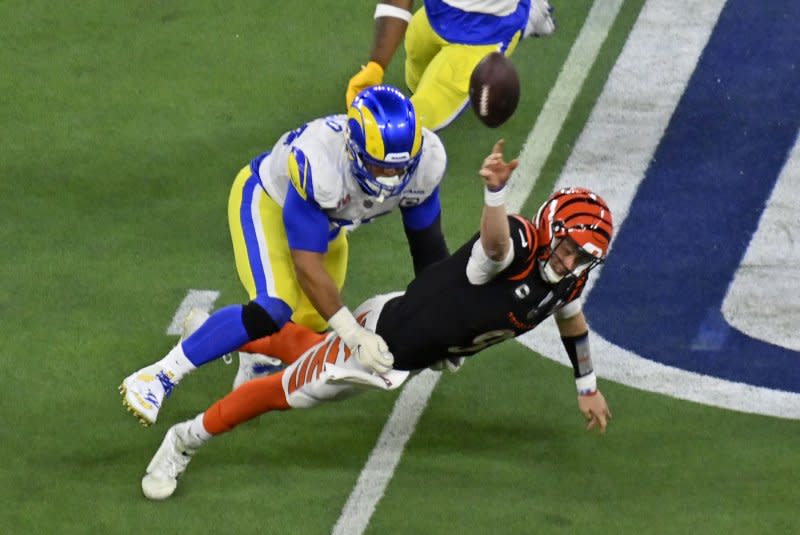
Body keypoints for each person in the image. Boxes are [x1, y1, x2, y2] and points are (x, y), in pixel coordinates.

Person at [138, 139, 614, 500]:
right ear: (550, 230)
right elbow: (495, 246)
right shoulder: (518, 244)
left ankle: (216, 335)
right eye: (569, 248)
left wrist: (587, 385)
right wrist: (496, 193)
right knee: (283, 393)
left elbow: (571, 321)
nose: (571, 263)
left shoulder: (567, 281)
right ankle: (183, 439)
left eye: (581, 258)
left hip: (414, 347)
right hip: (385, 340)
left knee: (309, 353)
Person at [120, 84, 450, 426]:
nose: (391, 179)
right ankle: (159, 375)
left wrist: (444, 324)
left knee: (314, 322)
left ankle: (235, 344)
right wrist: (353, 334)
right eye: (380, 168)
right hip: (270, 203)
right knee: (273, 307)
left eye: (400, 169)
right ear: (354, 151)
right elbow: (306, 263)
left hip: (327, 223)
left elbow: (428, 250)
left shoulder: (426, 164)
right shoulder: (319, 163)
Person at [345, 1, 556, 131]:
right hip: (436, 14)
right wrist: (376, 66)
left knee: (413, 121)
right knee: (415, 59)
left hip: (484, 32)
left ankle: (528, 16)